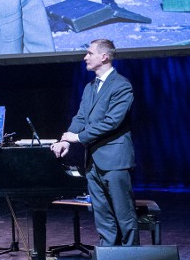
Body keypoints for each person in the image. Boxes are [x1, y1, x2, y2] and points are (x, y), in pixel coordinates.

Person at [51, 39, 139, 247]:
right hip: (93, 161)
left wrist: (79, 138)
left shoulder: (121, 85)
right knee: (102, 215)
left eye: (90, 53)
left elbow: (112, 122)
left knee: (124, 215)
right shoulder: (90, 87)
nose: (85, 57)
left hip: (115, 161)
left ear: (104, 57)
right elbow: (81, 117)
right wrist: (66, 139)